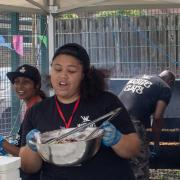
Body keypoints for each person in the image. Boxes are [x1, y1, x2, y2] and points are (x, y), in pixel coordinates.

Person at [19, 43, 140, 180]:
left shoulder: (106, 102)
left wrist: (117, 140)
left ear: (83, 75)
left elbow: (133, 148)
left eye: (71, 71)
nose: (63, 76)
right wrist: (32, 147)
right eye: (57, 69)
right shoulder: (37, 111)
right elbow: (28, 167)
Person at [118, 70, 175, 180]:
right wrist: (156, 142)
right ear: (170, 81)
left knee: (124, 162)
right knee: (140, 166)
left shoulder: (137, 77)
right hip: (133, 124)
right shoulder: (164, 87)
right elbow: (158, 117)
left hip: (114, 121)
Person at [0, 64, 46, 180]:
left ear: (37, 86)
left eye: (26, 82)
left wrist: (2, 143)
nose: (19, 86)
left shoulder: (39, 111)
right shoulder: (31, 107)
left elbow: (29, 155)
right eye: (16, 81)